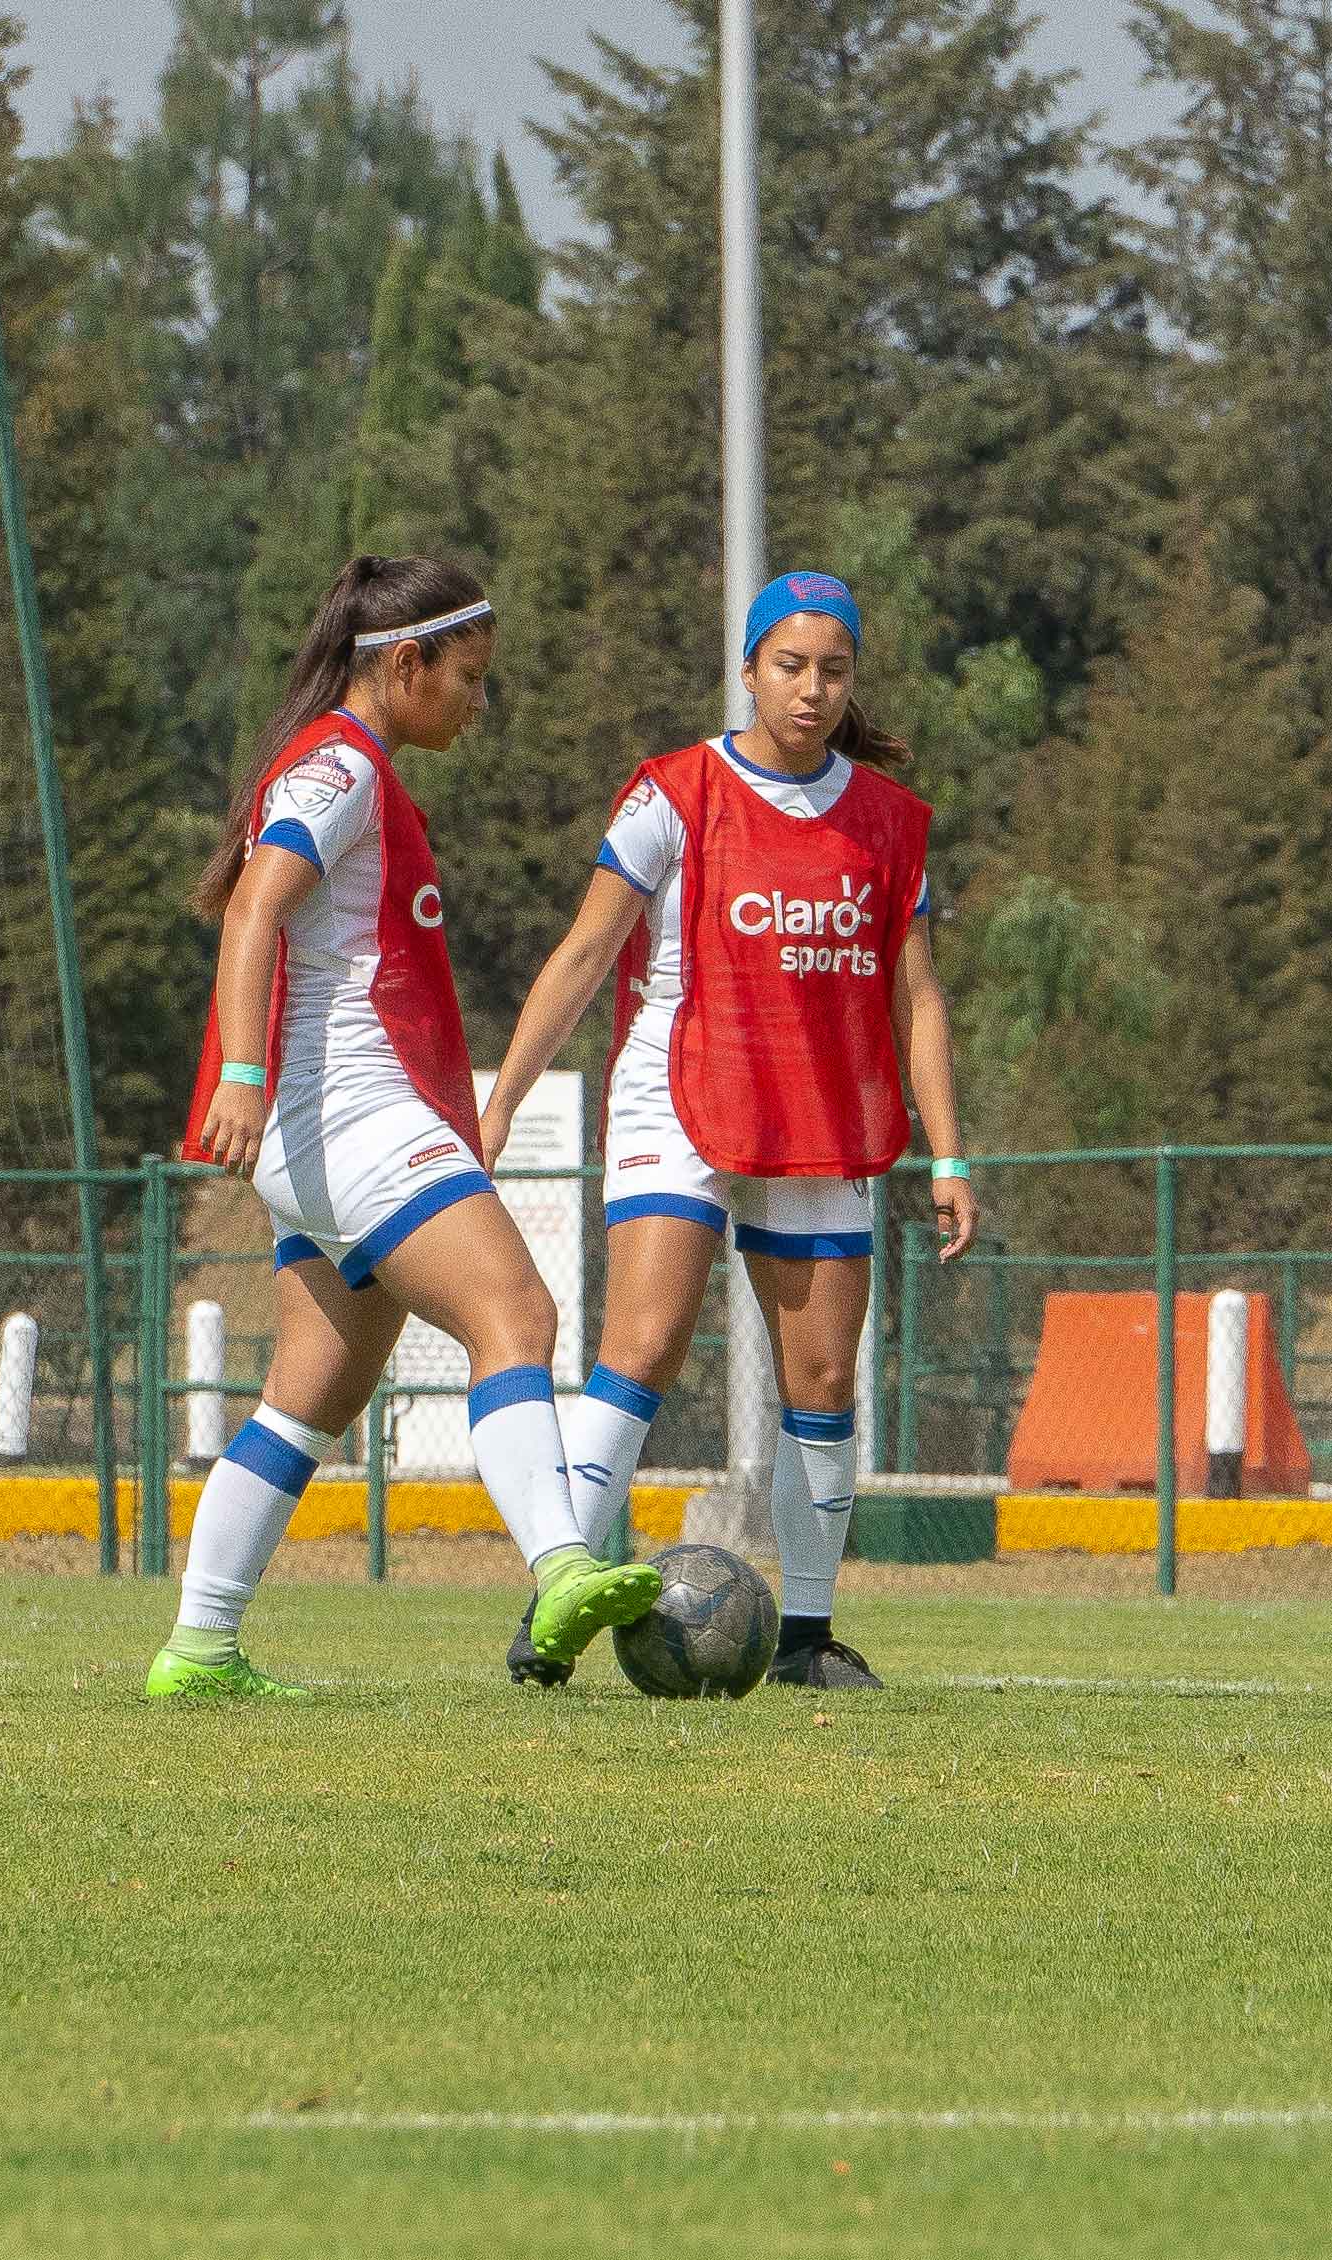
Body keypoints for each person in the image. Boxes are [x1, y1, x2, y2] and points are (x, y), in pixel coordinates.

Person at [150, 556, 662, 1701]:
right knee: (516, 1311)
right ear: (406, 664)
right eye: (470, 679)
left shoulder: (352, 767)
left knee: (314, 1393)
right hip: (348, 1114)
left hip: (325, 1133)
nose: (481, 703)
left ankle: (199, 1648)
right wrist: (239, 1072)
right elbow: (253, 907)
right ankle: (563, 1561)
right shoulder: (340, 765)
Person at [481, 570, 977, 1692]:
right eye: (789, 666)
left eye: (833, 670)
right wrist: (503, 1096)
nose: (810, 690)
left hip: (821, 1107)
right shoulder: (673, 793)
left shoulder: (889, 822)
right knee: (642, 1348)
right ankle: (551, 1607)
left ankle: (805, 1636)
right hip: (681, 1090)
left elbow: (922, 999)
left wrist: (948, 1152)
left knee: (823, 1379)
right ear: (749, 668)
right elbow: (583, 953)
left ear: (854, 680)